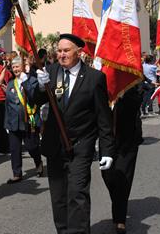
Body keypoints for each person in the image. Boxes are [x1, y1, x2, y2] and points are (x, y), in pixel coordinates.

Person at [34, 33, 115, 234]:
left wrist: (107, 150)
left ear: (78, 52)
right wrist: (39, 86)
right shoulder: (51, 72)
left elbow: (103, 118)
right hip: (55, 145)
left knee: (77, 194)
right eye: (59, 51)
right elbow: (36, 100)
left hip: (81, 145)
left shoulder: (95, 78)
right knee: (59, 197)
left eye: (66, 50)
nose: (61, 55)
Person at [101, 84, 143, 234]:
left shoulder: (133, 79)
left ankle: (119, 219)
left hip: (128, 138)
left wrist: (121, 92)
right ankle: (118, 203)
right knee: (108, 176)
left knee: (123, 178)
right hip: (107, 139)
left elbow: (137, 101)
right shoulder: (101, 78)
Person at [4, 56, 43, 183]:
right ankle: (17, 173)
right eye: (14, 67)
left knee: (31, 147)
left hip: (29, 121)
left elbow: (34, 97)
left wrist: (25, 82)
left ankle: (38, 162)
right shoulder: (10, 83)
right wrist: (7, 124)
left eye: (18, 67)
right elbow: (8, 106)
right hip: (13, 122)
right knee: (15, 149)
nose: (15, 69)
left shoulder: (32, 80)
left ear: (23, 67)